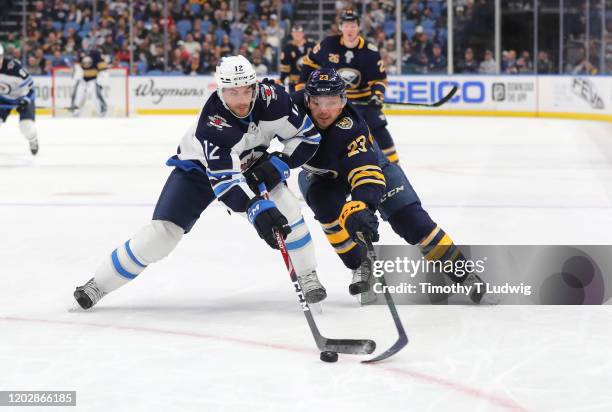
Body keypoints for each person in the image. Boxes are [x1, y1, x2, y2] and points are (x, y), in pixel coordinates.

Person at [73, 55, 327, 310]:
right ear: (220, 91)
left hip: (252, 164)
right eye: (232, 92)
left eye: (246, 91)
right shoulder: (212, 123)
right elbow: (226, 183)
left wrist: (280, 163)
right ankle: (99, 284)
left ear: (255, 87)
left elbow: (307, 137)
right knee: (162, 235)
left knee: (288, 207)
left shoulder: (275, 100)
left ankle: (307, 275)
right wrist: (256, 210)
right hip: (199, 169)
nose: (241, 100)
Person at [294, 68, 493, 304]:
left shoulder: (353, 127)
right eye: (317, 102)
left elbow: (366, 173)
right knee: (326, 209)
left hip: (371, 168)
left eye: (332, 101)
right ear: (307, 99)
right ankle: (359, 265)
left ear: (343, 100)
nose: (324, 110)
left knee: (411, 220)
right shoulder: (289, 109)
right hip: (321, 176)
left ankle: (463, 273)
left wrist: (362, 206)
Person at [298, 9, 400, 165]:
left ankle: (394, 167)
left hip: (364, 101)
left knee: (379, 129)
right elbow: (309, 62)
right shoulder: (328, 44)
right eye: (346, 25)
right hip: (334, 103)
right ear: (340, 27)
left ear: (358, 27)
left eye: (353, 25)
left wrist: (377, 96)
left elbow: (379, 79)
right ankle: (325, 169)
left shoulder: (370, 51)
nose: (349, 29)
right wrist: (301, 88)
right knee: (325, 132)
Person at [0, 44, 39, 155]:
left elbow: (31, 89)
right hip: (3, 99)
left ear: (2, 57)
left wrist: (26, 100)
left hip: (22, 98)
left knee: (26, 126)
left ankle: (33, 139)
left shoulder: (15, 69)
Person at [70, 48, 109, 117]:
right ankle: (75, 110)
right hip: (82, 79)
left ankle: (102, 110)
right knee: (78, 95)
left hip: (93, 80)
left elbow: (103, 67)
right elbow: (78, 66)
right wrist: (76, 75)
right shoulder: (80, 53)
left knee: (95, 96)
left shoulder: (96, 53)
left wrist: (101, 77)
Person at [279, 24, 315, 93]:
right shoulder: (287, 48)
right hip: (294, 83)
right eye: (295, 33)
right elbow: (285, 69)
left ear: (303, 33)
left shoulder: (312, 46)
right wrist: (281, 80)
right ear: (292, 34)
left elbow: (318, 62)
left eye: (299, 32)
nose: (297, 34)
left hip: (310, 82)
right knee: (295, 102)